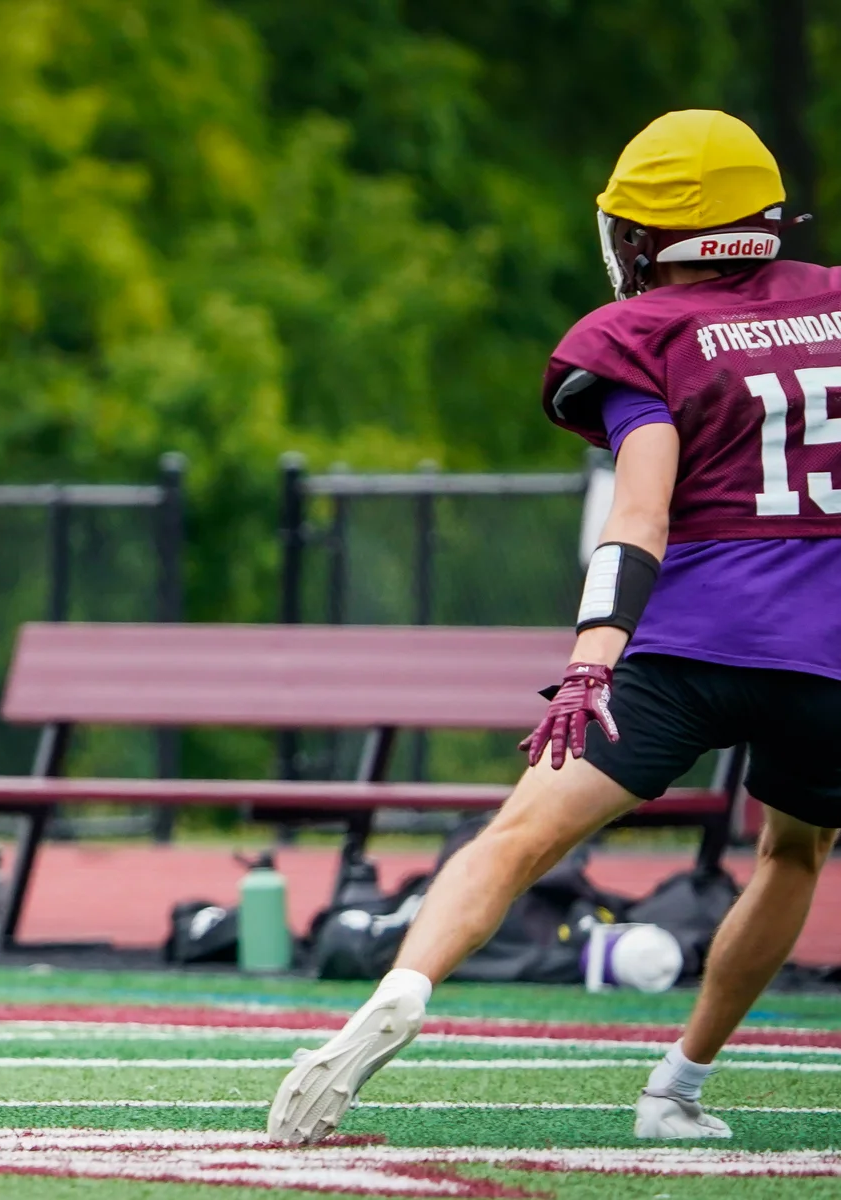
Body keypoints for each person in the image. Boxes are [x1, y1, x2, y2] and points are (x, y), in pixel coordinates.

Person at [268, 109, 841, 1144]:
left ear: (645, 236)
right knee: (793, 853)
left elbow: (640, 510)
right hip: (831, 655)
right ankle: (677, 1088)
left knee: (516, 839)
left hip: (688, 644)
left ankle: (402, 987)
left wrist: (591, 659)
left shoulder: (641, 335)